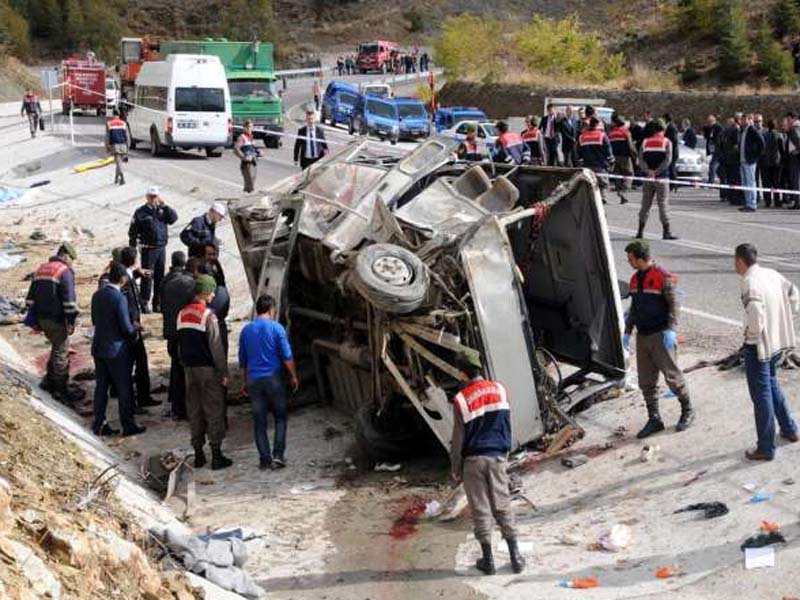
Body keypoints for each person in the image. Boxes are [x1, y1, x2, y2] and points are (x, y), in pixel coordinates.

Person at [449, 352, 525, 576]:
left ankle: (488, 561)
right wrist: (505, 451)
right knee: (502, 505)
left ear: (462, 373)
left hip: (473, 461)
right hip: (497, 456)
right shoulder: (499, 389)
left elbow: (458, 439)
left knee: (480, 509)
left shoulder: (461, 399)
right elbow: (506, 423)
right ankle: (516, 557)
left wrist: (455, 468)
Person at [735, 243, 799, 461]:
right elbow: (795, 296)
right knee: (771, 384)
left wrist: (753, 335)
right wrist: (782, 320)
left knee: (761, 395)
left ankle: (765, 447)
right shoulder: (772, 274)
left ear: (740, 261)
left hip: (759, 346)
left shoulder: (749, 281)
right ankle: (789, 429)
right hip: (778, 343)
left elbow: (754, 311)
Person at [623, 241, 694, 439]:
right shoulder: (635, 279)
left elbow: (674, 304)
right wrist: (627, 331)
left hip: (661, 336)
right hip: (643, 336)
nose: (629, 262)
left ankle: (688, 410)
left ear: (640, 258)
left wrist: (671, 330)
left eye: (630, 258)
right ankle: (654, 419)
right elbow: (634, 308)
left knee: (673, 377)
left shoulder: (662, 276)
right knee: (646, 381)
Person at [177, 274, 232, 470]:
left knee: (195, 411)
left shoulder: (181, 314)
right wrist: (223, 373)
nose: (214, 296)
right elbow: (216, 348)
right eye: (212, 292)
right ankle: (216, 455)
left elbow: (179, 346)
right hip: (208, 371)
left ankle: (198, 454)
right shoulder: (208, 316)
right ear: (206, 293)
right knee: (213, 410)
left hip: (189, 370)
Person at [238, 294, 299, 470]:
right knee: (280, 417)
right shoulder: (277, 328)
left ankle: (264, 459)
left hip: (254, 381)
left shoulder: (246, 330)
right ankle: (278, 455)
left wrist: (244, 381)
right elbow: (287, 356)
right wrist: (293, 375)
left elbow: (243, 360)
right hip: (274, 379)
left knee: (259, 422)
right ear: (271, 309)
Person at [90, 263, 145, 437]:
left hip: (99, 346)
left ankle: (99, 423)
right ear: (122, 279)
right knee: (124, 388)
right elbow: (126, 328)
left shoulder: (97, 295)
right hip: (116, 350)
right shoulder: (119, 298)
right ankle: (128, 425)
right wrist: (135, 328)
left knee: (101, 387)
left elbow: (94, 320)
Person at [25, 243, 84, 404]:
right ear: (66, 256)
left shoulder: (41, 268)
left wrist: (35, 320)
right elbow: (69, 303)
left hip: (41, 317)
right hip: (56, 318)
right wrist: (71, 321)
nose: (71, 263)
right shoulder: (64, 272)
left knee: (56, 346)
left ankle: (48, 381)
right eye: (71, 259)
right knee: (61, 351)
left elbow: (29, 299)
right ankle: (61, 389)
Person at [119, 246, 159, 411]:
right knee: (135, 362)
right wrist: (131, 322)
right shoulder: (123, 278)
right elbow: (123, 303)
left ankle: (142, 397)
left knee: (139, 361)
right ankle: (136, 400)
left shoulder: (127, 273)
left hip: (133, 323)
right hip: (130, 326)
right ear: (133, 260)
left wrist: (138, 273)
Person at [128, 186, 178, 313]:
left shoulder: (163, 210)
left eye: (155, 196)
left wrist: (165, 205)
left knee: (160, 277)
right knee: (147, 276)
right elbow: (133, 232)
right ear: (147, 197)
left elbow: (173, 219)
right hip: (148, 249)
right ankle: (144, 302)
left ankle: (157, 303)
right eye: (151, 197)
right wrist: (133, 253)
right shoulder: (141, 212)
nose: (153, 199)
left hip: (161, 248)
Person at [160, 252, 197, 420]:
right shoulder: (190, 285)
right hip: (184, 334)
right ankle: (183, 408)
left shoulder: (168, 282)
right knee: (184, 372)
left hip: (171, 331)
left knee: (176, 367)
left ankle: (176, 406)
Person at [637, 119, 678, 240]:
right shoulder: (666, 142)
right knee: (663, 204)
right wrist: (657, 172)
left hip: (648, 178)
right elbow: (668, 160)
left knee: (645, 205)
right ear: (663, 129)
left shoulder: (645, 142)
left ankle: (640, 231)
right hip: (662, 178)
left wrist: (648, 171)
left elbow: (641, 160)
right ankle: (666, 232)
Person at [577, 116, 614, 204]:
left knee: (589, 184)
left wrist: (581, 162)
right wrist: (611, 161)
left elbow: (578, 152)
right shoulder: (602, 135)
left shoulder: (582, 136)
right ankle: (602, 198)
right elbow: (608, 149)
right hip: (600, 165)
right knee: (603, 184)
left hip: (587, 165)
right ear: (597, 124)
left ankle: (591, 199)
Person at [608, 114, 637, 204]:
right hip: (625, 157)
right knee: (629, 174)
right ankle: (623, 191)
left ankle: (621, 195)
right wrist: (635, 156)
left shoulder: (611, 133)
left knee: (618, 176)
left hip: (614, 157)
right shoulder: (626, 132)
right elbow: (631, 146)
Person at [739, 114, 765, 213]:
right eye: (742, 119)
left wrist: (755, 155)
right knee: (745, 183)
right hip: (743, 160)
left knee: (750, 182)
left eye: (744, 119)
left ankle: (752, 204)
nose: (742, 121)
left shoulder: (752, 130)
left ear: (750, 120)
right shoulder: (743, 131)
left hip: (750, 161)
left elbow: (761, 143)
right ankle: (747, 203)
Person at [760, 120, 785, 208]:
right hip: (776, 162)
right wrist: (783, 160)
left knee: (766, 182)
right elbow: (782, 149)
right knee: (776, 182)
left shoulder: (764, 135)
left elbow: (761, 148)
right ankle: (777, 201)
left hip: (766, 162)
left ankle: (767, 201)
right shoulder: (779, 135)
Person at [233, 120, 260, 193]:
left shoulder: (251, 137)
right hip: (246, 164)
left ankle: (248, 195)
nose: (249, 128)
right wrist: (243, 157)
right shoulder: (242, 137)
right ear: (244, 128)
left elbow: (253, 148)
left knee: (252, 181)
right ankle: (248, 196)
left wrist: (259, 152)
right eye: (247, 127)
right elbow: (236, 149)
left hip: (254, 162)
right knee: (249, 182)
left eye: (250, 127)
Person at [105, 110, 129, 185]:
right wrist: (128, 147)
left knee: (118, 162)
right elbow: (127, 136)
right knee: (119, 162)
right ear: (119, 115)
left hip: (115, 145)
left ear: (113, 115)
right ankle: (116, 179)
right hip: (123, 145)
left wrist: (107, 146)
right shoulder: (124, 123)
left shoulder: (109, 123)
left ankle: (121, 176)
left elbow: (107, 136)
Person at [783, 113, 800, 210]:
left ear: (793, 119)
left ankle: (797, 202)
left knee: (795, 180)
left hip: (795, 157)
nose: (788, 121)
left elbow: (797, 141)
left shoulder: (794, 128)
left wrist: (797, 150)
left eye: (789, 119)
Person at [703, 114, 723, 184]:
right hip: (712, 150)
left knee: (712, 165)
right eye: (708, 122)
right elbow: (706, 137)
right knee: (717, 167)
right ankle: (721, 179)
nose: (708, 123)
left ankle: (711, 181)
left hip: (718, 149)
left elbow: (716, 138)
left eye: (710, 122)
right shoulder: (709, 128)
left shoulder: (718, 128)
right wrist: (705, 129)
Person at [663, 114, 680, 193]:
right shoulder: (669, 127)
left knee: (672, 168)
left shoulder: (671, 128)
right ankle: (672, 184)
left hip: (672, 151)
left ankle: (673, 185)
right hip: (671, 151)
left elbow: (674, 140)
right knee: (671, 168)